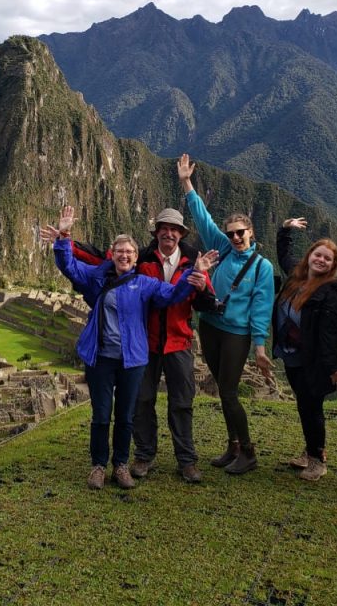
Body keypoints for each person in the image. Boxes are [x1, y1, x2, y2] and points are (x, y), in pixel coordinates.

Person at [41, 207, 217, 490]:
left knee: (126, 414)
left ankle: (121, 465)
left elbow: (172, 294)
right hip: (100, 358)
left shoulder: (145, 283)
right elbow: (69, 266)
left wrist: (195, 274)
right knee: (102, 414)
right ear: (113, 254)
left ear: (136, 258)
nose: (124, 255)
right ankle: (99, 465)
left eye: (130, 252)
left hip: (133, 358)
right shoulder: (97, 277)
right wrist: (64, 237)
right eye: (120, 251)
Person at [178, 154, 275, 474]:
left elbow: (261, 308)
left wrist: (259, 347)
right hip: (210, 325)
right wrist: (186, 183)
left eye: (240, 233)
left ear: (251, 233)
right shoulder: (219, 246)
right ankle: (233, 446)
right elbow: (202, 218)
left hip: (236, 333)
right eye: (231, 233)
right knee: (222, 388)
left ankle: (248, 451)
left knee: (230, 392)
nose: (234, 238)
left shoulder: (262, 267)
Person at [271, 218, 337, 481]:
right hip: (291, 355)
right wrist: (286, 228)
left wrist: (333, 369)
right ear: (310, 256)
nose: (321, 261)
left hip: (312, 361)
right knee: (304, 405)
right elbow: (283, 252)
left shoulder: (328, 294)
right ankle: (310, 451)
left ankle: (318, 460)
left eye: (327, 259)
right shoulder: (297, 276)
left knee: (312, 407)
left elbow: (327, 337)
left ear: (332, 266)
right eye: (318, 255)